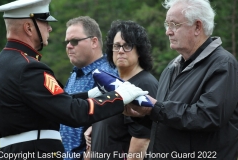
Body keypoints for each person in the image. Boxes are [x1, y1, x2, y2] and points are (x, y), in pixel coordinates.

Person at [0, 0, 148, 159]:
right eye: (44, 22)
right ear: (28, 28)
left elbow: (50, 101)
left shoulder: (4, 64)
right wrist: (119, 97)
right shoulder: (29, 68)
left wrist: (90, 94)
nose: (49, 28)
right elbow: (72, 113)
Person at [127, 0, 238, 159]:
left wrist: (155, 108)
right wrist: (142, 114)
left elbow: (208, 117)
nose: (168, 32)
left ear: (197, 27)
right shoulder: (171, 67)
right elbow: (165, 121)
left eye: (174, 24)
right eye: (167, 24)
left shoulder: (223, 64)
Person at [84, 20, 159, 160]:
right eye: (116, 46)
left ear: (139, 51)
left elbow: (142, 140)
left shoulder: (144, 85)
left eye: (127, 46)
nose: (121, 51)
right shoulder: (112, 84)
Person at [60, 16, 118, 160]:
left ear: (94, 42)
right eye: (67, 42)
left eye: (74, 41)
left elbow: (108, 124)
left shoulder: (107, 74)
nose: (69, 46)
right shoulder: (75, 73)